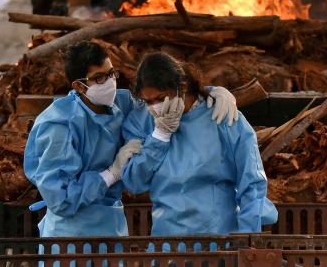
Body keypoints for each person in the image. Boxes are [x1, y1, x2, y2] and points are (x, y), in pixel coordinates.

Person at [24, 41, 239, 240]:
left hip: (112, 224)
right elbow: (60, 199)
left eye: (111, 74)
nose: (109, 83)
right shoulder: (59, 126)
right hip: (69, 236)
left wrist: (209, 92)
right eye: (99, 78)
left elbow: (162, 95)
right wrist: (110, 174)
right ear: (79, 86)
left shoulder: (121, 102)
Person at [121, 52, 278, 236]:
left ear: (182, 87)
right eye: (148, 101)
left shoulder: (221, 115)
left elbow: (252, 182)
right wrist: (159, 137)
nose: (155, 107)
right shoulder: (141, 121)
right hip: (168, 245)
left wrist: (248, 237)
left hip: (220, 241)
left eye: (160, 98)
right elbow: (134, 182)